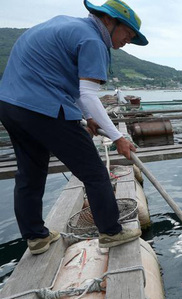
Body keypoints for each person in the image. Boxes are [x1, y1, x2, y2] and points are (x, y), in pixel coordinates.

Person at [0, 0, 147, 254]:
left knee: (30, 172)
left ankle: (36, 237)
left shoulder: (67, 26)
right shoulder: (93, 41)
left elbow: (76, 88)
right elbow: (89, 94)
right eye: (128, 34)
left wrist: (89, 116)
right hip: (44, 108)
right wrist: (117, 137)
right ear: (109, 20)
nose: (127, 41)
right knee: (94, 172)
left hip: (10, 105)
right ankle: (111, 232)